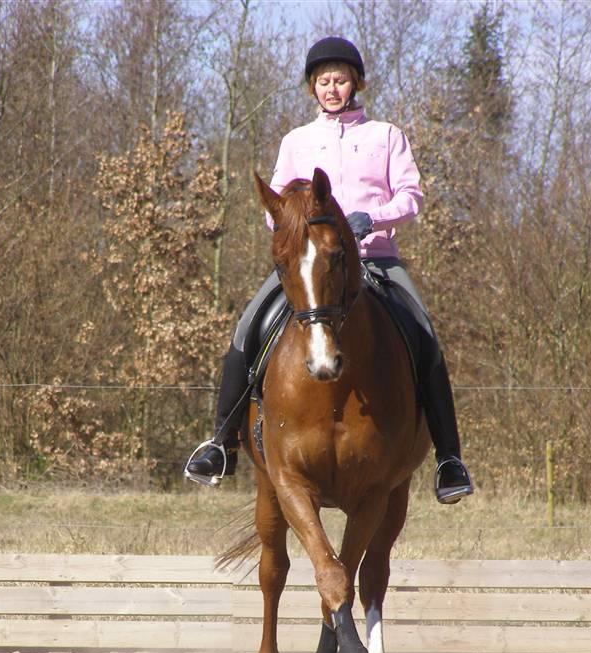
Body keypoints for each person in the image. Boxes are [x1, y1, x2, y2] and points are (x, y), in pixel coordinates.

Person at [185, 36, 473, 504]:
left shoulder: (385, 136)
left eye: (340, 80)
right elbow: (273, 207)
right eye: (323, 81)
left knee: (425, 333)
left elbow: (411, 196)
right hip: (310, 264)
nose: (332, 88)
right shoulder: (297, 141)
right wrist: (291, 223)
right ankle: (220, 443)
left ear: (355, 83)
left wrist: (372, 218)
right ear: (312, 88)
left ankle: (449, 459)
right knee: (246, 327)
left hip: (375, 258)